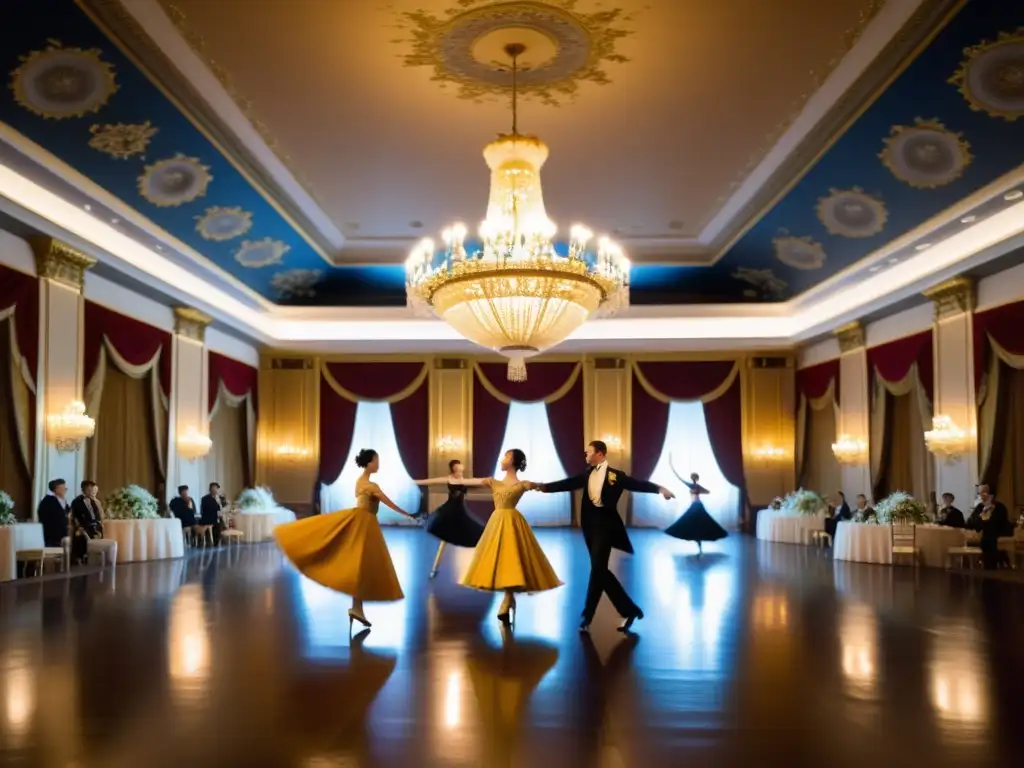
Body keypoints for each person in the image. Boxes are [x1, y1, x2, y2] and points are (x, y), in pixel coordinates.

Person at [539, 440, 674, 633]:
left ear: (600, 454)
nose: (585, 455)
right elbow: (567, 484)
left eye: (588, 452)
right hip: (589, 526)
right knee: (600, 570)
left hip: (606, 526)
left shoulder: (616, 476)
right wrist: (543, 487)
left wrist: (660, 489)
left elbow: (638, 484)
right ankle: (629, 610)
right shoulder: (586, 474)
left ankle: (587, 617)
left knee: (597, 570)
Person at [274, 448, 416, 628]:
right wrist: (407, 514)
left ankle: (357, 608)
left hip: (364, 522)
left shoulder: (360, 481)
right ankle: (356, 608)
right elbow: (388, 502)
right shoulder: (371, 486)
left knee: (360, 565)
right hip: (364, 524)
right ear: (370, 463)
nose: (378, 464)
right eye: (376, 461)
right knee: (360, 564)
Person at [461, 448, 562, 624]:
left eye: (507, 456)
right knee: (499, 560)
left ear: (514, 462)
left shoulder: (522, 484)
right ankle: (509, 599)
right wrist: (454, 480)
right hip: (496, 523)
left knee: (512, 559)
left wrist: (540, 485)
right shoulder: (492, 481)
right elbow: (470, 481)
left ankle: (507, 600)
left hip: (513, 522)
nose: (503, 459)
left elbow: (542, 486)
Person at [413, 459, 486, 579]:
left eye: (461, 467)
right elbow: (433, 481)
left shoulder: (464, 480)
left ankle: (482, 566)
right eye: (458, 468)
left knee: (477, 534)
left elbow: (480, 481)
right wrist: (416, 481)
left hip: (460, 512)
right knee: (444, 540)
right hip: (448, 512)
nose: (460, 469)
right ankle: (434, 569)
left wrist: (493, 481)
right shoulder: (449, 479)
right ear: (453, 469)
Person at [663, 469, 728, 554]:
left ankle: (698, 540)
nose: (693, 478)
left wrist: (697, 492)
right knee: (694, 523)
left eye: (694, 477)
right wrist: (698, 492)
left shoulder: (694, 486)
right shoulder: (695, 486)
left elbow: (707, 492)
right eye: (693, 477)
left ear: (695, 478)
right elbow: (707, 491)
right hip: (697, 505)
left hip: (696, 505)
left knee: (693, 522)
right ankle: (698, 541)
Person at [967, 484, 1012, 569]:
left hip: (997, 531)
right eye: (980, 494)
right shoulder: (980, 506)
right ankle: (993, 560)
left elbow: (998, 522)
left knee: (989, 535)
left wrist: (985, 515)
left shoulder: (999, 507)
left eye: (984, 493)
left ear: (991, 495)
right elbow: (971, 521)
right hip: (983, 531)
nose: (981, 496)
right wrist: (982, 515)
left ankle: (991, 564)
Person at [70, 481, 105, 564]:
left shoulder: (93, 501)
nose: (91, 492)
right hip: (83, 526)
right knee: (82, 537)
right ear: (84, 490)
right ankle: (80, 558)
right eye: (89, 490)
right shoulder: (77, 501)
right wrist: (79, 527)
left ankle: (97, 557)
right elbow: (74, 517)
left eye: (92, 490)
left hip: (95, 526)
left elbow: (97, 515)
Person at [37, 478, 70, 547]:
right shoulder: (48, 501)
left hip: (63, 534)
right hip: (52, 536)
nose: (65, 490)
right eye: (63, 488)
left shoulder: (63, 501)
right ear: (56, 489)